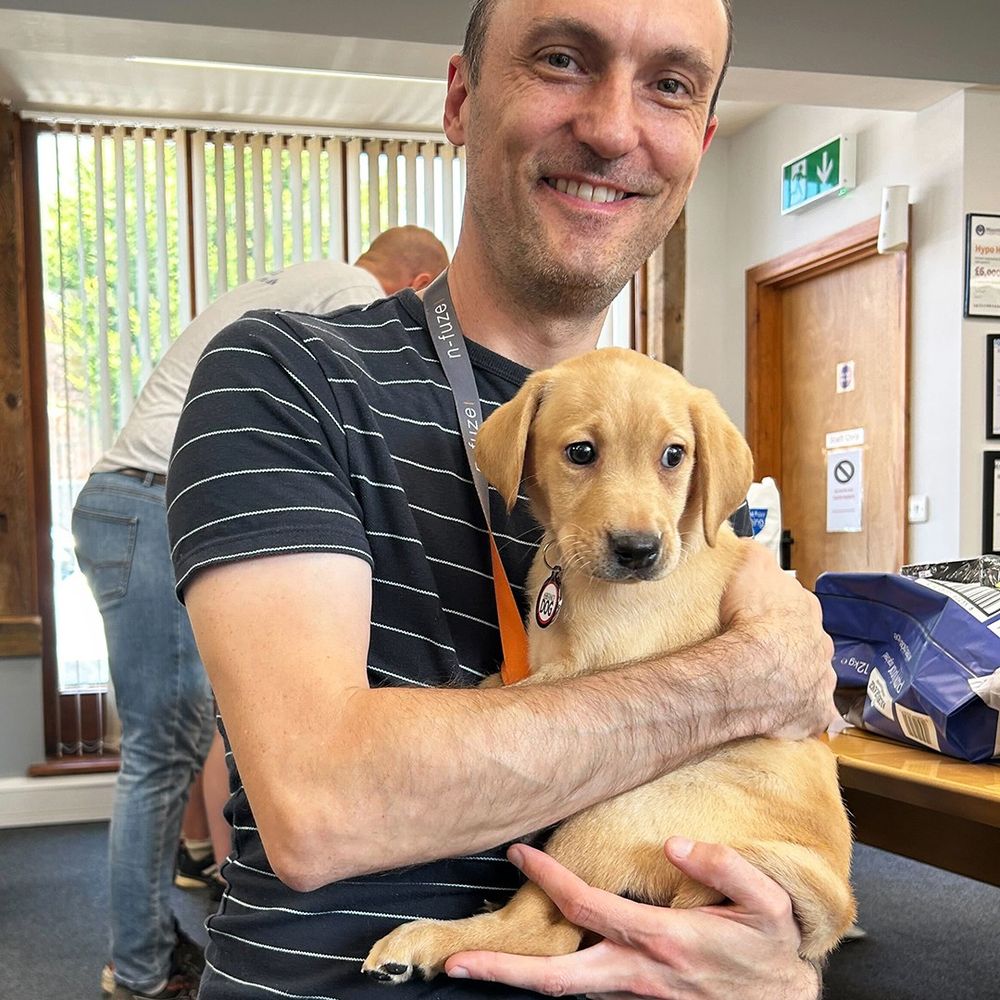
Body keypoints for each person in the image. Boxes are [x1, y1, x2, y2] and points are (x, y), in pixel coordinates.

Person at [166, 2, 837, 999]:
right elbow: (321, 806)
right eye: (563, 59)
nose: (612, 127)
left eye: (669, 83)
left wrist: (782, 961)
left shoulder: (680, 436)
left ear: (698, 142)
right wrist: (741, 680)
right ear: (460, 97)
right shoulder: (282, 377)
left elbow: (771, 832)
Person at [73, 225, 450, 1000]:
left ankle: (156, 944)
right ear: (415, 286)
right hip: (148, 499)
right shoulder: (352, 299)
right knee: (161, 750)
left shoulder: (294, 279)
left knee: (185, 735)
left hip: (130, 501)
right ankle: (139, 971)